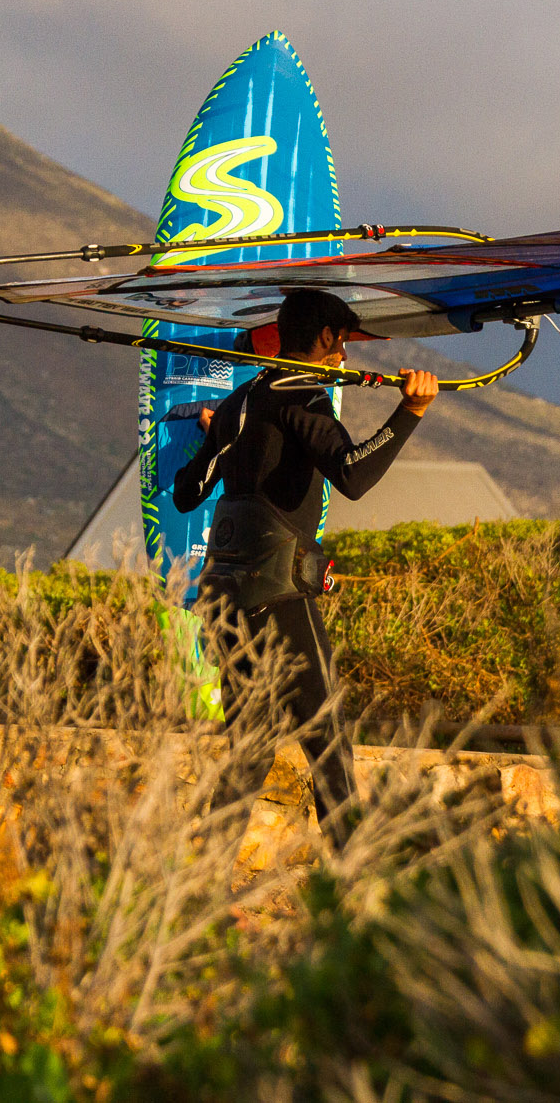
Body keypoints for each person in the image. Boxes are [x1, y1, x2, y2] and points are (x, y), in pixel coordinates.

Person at [172, 288, 438, 846]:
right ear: (325, 337)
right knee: (327, 739)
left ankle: (204, 883)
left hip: (222, 599)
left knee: (249, 749)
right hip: (277, 596)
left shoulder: (239, 403)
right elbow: (353, 475)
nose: (345, 355)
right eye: (343, 342)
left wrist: (221, 438)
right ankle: (350, 880)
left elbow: (186, 492)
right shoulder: (305, 398)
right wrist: (409, 412)